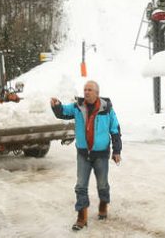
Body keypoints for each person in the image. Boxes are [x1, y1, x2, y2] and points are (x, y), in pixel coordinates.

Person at [50, 80, 122, 231]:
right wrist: (56, 106)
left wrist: (116, 151)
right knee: (80, 186)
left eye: (90, 90)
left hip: (101, 154)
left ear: (97, 93)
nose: (86, 92)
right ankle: (81, 218)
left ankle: (103, 204)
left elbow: (115, 129)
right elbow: (63, 112)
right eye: (85, 90)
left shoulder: (106, 108)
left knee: (102, 184)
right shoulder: (78, 106)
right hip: (83, 154)